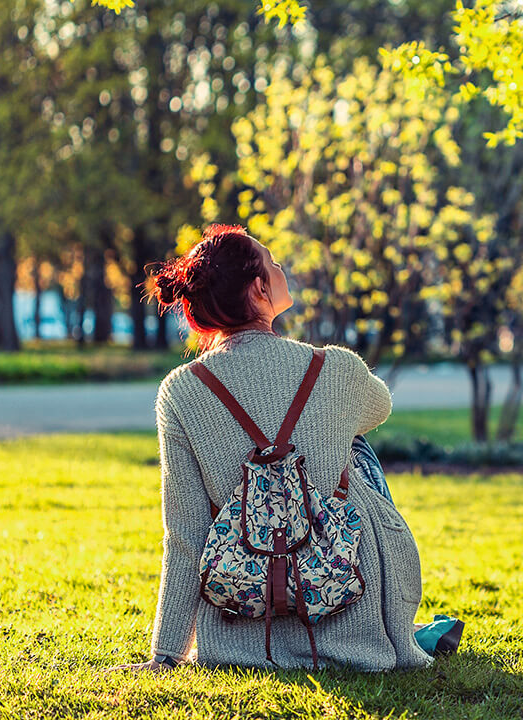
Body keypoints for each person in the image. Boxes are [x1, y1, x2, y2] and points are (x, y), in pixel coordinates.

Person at [110, 224, 432, 672]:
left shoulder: (181, 391)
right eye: (273, 262)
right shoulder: (334, 366)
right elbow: (380, 407)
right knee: (356, 449)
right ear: (261, 288)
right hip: (349, 622)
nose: (281, 268)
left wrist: (166, 654)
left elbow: (186, 534)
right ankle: (398, 624)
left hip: (239, 631)